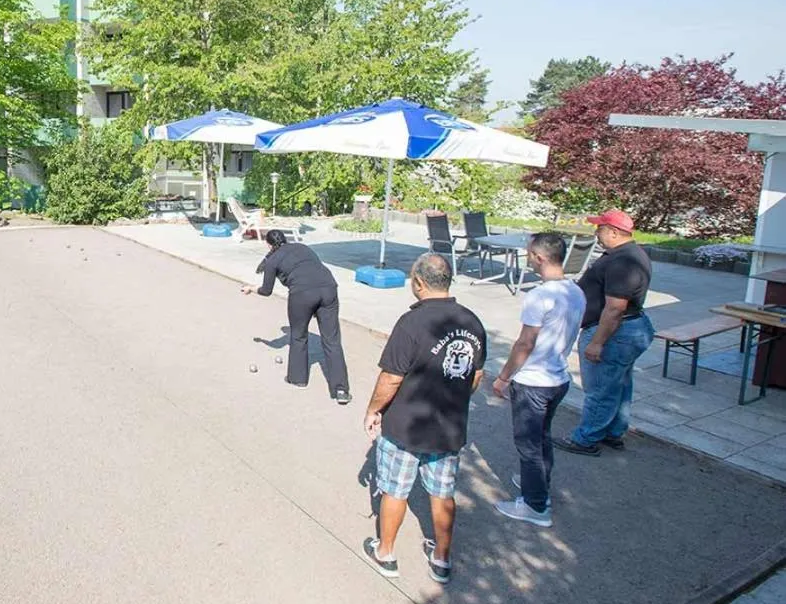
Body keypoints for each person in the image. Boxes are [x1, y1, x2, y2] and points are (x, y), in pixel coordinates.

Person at [361, 253, 485, 584]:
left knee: (395, 490)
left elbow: (391, 378)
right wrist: (457, 399)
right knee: (442, 493)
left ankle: (385, 551)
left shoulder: (411, 323)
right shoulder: (472, 321)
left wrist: (373, 410)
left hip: (406, 426)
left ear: (418, 283)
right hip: (448, 426)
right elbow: (476, 375)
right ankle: (442, 559)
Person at [491, 233, 585, 527]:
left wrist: (504, 377)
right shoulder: (576, 291)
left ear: (540, 258)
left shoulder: (539, 296)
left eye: (529, 253)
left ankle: (535, 505)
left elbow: (524, 343)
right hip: (558, 377)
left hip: (534, 381)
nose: (527, 257)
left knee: (529, 444)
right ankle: (537, 482)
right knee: (541, 437)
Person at [555, 209, 654, 457]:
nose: (596, 233)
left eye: (599, 229)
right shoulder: (628, 254)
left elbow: (615, 308)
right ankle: (613, 431)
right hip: (630, 329)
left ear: (613, 232)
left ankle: (587, 438)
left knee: (599, 389)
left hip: (616, 333)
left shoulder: (623, 262)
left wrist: (597, 342)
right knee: (618, 383)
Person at [241, 229, 352, 405]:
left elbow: (266, 291)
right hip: (329, 288)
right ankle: (341, 390)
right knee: (332, 341)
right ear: (285, 239)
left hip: (302, 295)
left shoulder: (272, 261)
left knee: (299, 336)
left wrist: (251, 288)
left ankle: (298, 378)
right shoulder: (302, 247)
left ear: (268, 244)